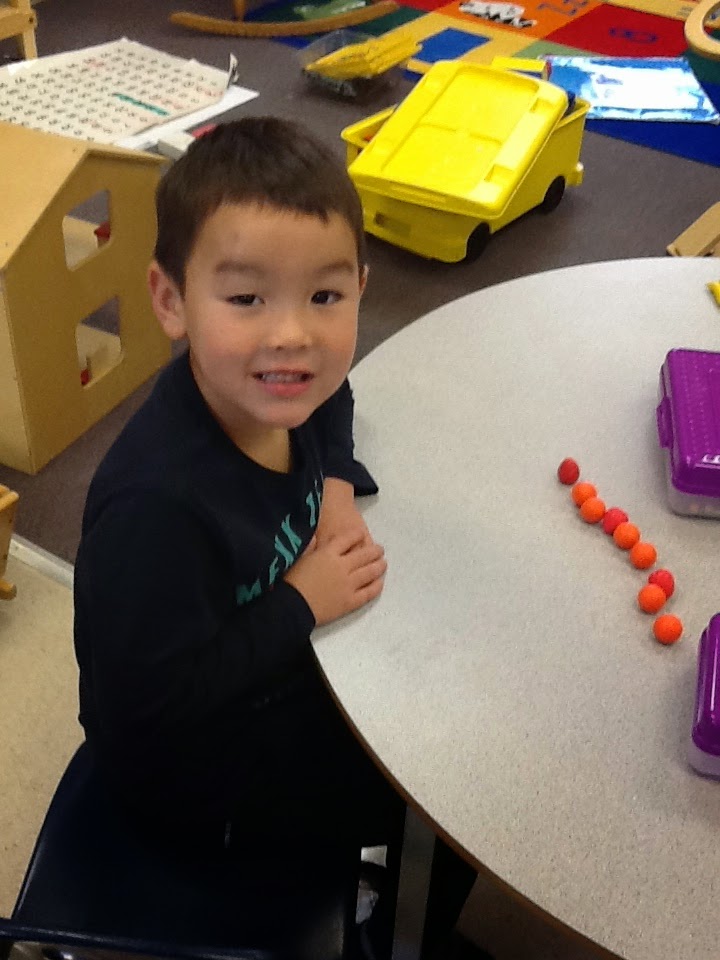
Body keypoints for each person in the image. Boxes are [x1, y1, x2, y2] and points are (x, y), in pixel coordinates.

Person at [73, 117, 479, 960]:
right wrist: (299, 603)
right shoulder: (157, 511)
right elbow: (147, 714)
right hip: (199, 788)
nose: (293, 336)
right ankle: (389, 943)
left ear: (360, 288)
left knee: (446, 731)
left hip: (278, 684)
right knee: (450, 803)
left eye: (325, 298)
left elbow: (332, 393)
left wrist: (336, 487)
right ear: (170, 301)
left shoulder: (272, 385)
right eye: (247, 299)